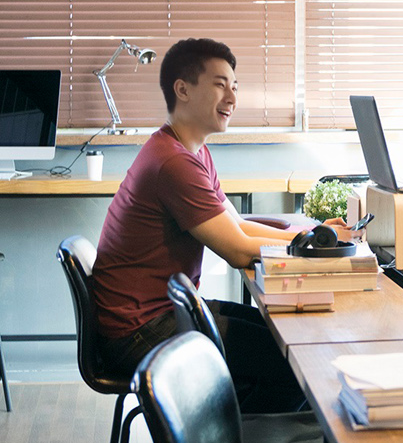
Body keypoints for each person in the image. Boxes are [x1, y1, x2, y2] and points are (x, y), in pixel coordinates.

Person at [90, 38, 350, 413]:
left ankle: (238, 431)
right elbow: (237, 251)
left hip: (159, 314)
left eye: (235, 87)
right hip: (141, 332)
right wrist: (312, 244)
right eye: (219, 85)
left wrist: (308, 235)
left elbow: (236, 225)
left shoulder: (191, 151)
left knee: (286, 339)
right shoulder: (173, 163)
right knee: (297, 365)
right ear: (182, 90)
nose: (231, 98)